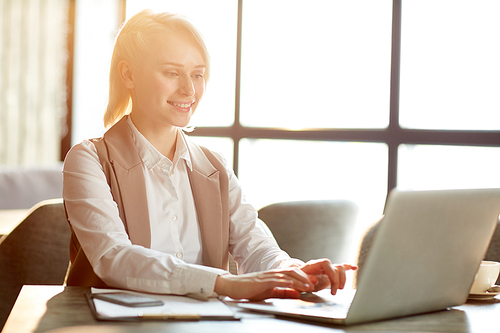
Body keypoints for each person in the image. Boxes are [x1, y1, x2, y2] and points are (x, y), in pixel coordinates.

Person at [63, 9, 357, 301]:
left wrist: (293, 272)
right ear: (128, 74)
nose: (189, 89)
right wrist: (224, 283)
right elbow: (113, 257)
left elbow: (254, 244)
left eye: (198, 74)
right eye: (172, 73)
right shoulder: (89, 160)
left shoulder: (215, 167)